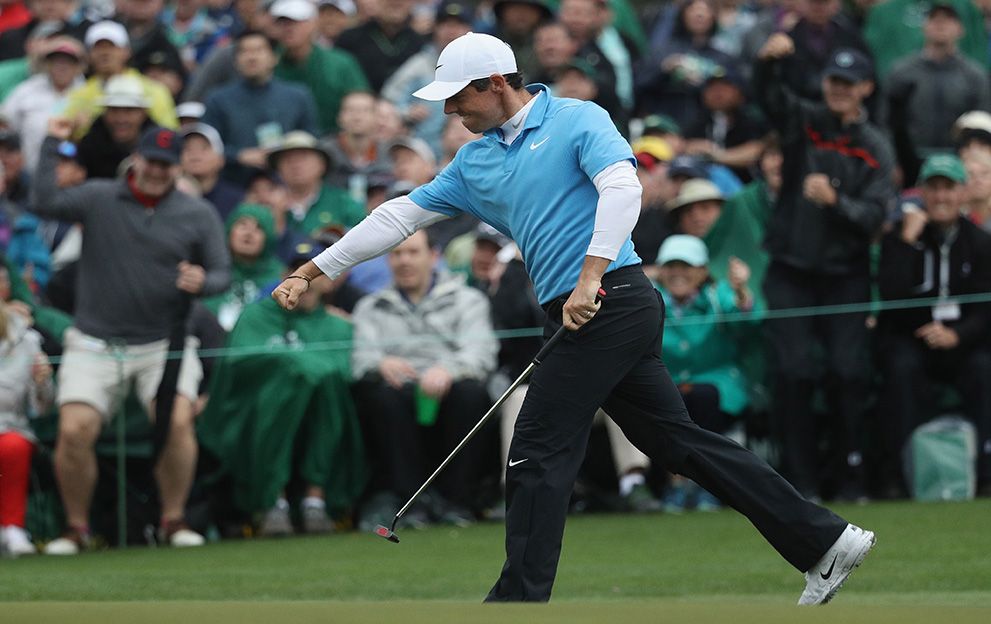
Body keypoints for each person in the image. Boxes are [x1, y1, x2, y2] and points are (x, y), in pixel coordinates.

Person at [272, 31, 875, 604]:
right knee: (675, 441)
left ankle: (517, 603)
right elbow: (399, 216)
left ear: (496, 83)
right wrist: (314, 270)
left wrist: (590, 276)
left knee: (536, 449)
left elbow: (622, 188)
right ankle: (823, 541)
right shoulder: (473, 160)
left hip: (611, 298)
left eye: (458, 96)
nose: (450, 110)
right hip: (575, 310)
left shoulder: (577, 117)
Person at [32, 121, 231, 554]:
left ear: (178, 168)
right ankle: (77, 528)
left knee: (176, 420)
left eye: (167, 164)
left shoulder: (197, 213)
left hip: (165, 340)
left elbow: (221, 274)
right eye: (152, 161)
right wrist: (51, 144)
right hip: (95, 340)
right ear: (136, 158)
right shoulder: (99, 196)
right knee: (75, 428)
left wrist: (202, 281)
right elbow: (43, 201)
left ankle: (173, 519)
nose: (157, 171)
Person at [755, 40, 894, 502]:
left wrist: (837, 202)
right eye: (834, 80)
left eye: (849, 83)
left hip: (845, 275)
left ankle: (850, 476)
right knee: (793, 373)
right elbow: (770, 99)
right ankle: (801, 483)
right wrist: (767, 63)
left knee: (848, 373)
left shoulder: (876, 146)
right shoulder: (804, 120)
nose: (839, 89)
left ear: (866, 88)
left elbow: (876, 215)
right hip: (791, 270)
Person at [197, 245, 368, 536]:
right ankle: (273, 500)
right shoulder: (255, 316)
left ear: (327, 281)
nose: (306, 283)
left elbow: (343, 374)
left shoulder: (338, 326)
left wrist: (301, 368)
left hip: (318, 418)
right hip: (255, 417)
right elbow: (239, 367)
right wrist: (293, 365)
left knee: (326, 389)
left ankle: (315, 498)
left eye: (313, 274)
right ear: (283, 276)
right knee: (278, 391)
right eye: (295, 271)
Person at [350, 229, 499, 530]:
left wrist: (448, 370)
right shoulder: (370, 306)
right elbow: (359, 361)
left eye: (413, 252)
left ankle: (459, 502)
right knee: (382, 398)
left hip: (452, 385)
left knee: (471, 394)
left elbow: (481, 353)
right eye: (397, 254)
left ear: (434, 257)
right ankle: (410, 503)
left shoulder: (468, 299)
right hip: (398, 390)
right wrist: (381, 363)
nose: (404, 261)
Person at [876, 154, 991, 498]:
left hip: (963, 340)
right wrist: (906, 243)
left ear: (962, 193)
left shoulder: (981, 242)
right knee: (900, 369)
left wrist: (957, 335)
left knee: (985, 369)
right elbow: (891, 296)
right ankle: (896, 476)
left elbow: (986, 308)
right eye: (933, 188)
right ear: (921, 193)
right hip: (912, 337)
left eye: (948, 188)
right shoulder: (900, 237)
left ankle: (986, 473)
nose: (941, 197)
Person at [651, 234, 761, 512]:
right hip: (666, 383)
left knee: (703, 397)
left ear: (702, 271)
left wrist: (741, 290)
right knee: (665, 401)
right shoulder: (649, 297)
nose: (678, 273)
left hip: (717, 382)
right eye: (671, 266)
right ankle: (676, 485)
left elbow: (745, 319)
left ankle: (708, 486)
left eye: (686, 266)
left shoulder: (717, 294)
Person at [884, 3, 991, 186]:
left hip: (959, 162)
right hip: (909, 161)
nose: (941, 24)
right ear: (923, 27)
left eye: (948, 20)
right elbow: (885, 122)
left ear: (961, 29)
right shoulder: (902, 72)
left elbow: (982, 125)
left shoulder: (975, 76)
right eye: (934, 19)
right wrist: (891, 161)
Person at [200, 29, 320, 186]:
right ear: (236, 61)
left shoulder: (298, 96)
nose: (252, 57)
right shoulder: (218, 99)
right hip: (233, 183)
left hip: (286, 184)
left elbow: (312, 140)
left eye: (259, 50)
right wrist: (239, 156)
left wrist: (283, 154)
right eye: (245, 51)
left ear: (274, 58)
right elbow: (206, 147)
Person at [0, 298, 54, 557]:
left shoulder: (28, 339)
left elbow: (41, 407)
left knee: (13, 446)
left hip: (11, 425)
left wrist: (43, 382)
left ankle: (12, 527)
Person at [63, 20, 178, 142]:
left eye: (112, 47)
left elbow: (169, 136)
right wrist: (75, 130)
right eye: (98, 47)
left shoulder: (154, 91)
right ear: (89, 54)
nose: (105, 53)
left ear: (127, 51)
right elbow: (63, 135)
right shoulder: (77, 95)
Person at [270, 0, 370, 135]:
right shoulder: (269, 65)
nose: (288, 28)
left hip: (334, 140)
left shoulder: (340, 63)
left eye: (296, 22)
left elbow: (361, 101)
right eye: (282, 23)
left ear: (312, 24)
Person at [0, 36, 85, 174]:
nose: (62, 66)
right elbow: (4, 121)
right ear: (47, 64)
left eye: (69, 62)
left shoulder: (87, 92)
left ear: (79, 66)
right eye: (56, 61)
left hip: (72, 173)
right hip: (27, 171)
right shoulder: (28, 89)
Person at [75, 74, 157, 179]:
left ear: (143, 114)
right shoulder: (90, 146)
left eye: (129, 110)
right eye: (114, 110)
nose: (120, 119)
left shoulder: (159, 145)